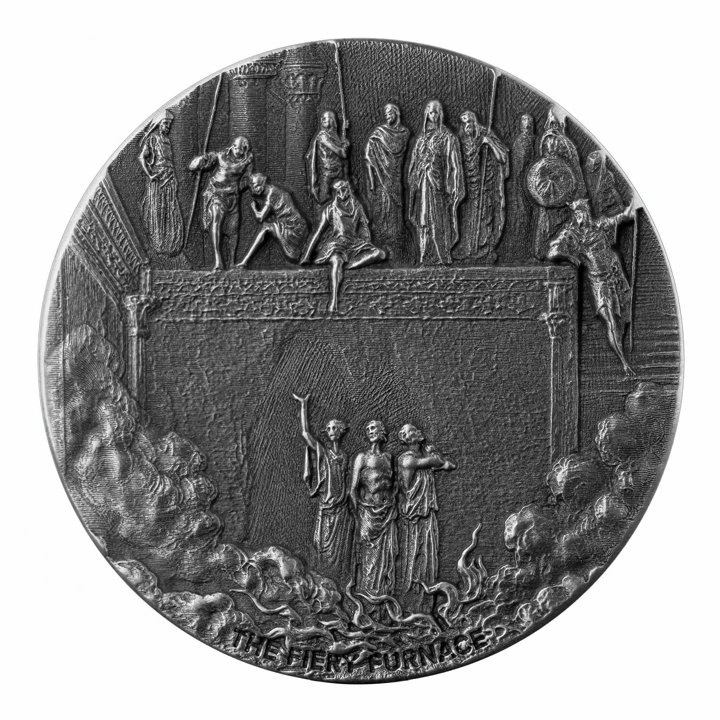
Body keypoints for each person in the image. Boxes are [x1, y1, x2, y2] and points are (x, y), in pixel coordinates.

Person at [548, 199, 635, 376]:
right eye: (578, 213)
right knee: (610, 321)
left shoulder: (599, 226)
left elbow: (622, 217)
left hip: (616, 276)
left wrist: (633, 208)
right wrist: (573, 258)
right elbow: (552, 252)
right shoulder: (572, 234)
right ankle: (624, 364)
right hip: (599, 284)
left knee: (621, 320)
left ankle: (625, 357)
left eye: (584, 212)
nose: (582, 216)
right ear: (575, 215)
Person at [292, 393, 354, 584]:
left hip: (342, 510)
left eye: (335, 427)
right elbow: (305, 434)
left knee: (341, 551)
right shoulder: (323, 452)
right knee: (324, 548)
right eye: (329, 428)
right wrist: (304, 406)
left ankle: (340, 582)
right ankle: (324, 582)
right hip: (327, 508)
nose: (332, 430)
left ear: (342, 431)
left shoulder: (345, 457)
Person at [300, 180, 386, 313]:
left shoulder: (357, 207)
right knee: (336, 260)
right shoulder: (330, 209)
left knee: (380, 254)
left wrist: (366, 241)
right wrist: (307, 255)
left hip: (354, 244)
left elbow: (364, 228)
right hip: (337, 244)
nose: (342, 193)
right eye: (338, 191)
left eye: (344, 189)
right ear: (335, 193)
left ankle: (351, 265)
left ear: (349, 189)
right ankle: (334, 301)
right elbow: (318, 233)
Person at [396, 424, 456, 612]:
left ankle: (427, 602)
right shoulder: (407, 459)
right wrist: (434, 455)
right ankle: (412, 601)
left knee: (428, 554)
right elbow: (437, 462)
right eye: (414, 431)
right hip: (415, 517)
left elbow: (449, 465)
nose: (419, 432)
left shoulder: (423, 460)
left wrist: (436, 459)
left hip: (427, 514)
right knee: (416, 555)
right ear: (407, 438)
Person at [407, 100, 465, 265]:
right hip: (423, 183)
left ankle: (442, 255)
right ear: (427, 114)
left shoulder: (447, 137)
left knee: (438, 219)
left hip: (439, 185)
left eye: (436, 112)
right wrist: (418, 172)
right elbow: (414, 162)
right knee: (424, 219)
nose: (434, 115)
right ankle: (426, 255)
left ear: (440, 114)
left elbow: (454, 164)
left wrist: (453, 185)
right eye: (431, 112)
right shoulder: (421, 139)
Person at [189, 136, 254, 270]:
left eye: (242, 149)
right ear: (232, 146)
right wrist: (200, 161)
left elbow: (246, 179)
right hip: (216, 194)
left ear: (245, 150)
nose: (238, 151)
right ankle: (218, 260)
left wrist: (238, 187)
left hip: (233, 197)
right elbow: (196, 165)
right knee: (216, 220)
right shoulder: (220, 156)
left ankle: (232, 262)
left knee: (233, 230)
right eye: (236, 148)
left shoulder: (247, 161)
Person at [349, 420, 397, 600]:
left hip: (386, 512)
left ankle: (382, 594)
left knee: (385, 556)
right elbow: (353, 489)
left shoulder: (388, 458)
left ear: (382, 431)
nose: (370, 431)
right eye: (368, 429)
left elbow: (394, 484)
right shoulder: (362, 458)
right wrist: (358, 517)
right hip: (368, 513)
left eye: (373, 428)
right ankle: (367, 594)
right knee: (369, 555)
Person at [453, 110, 509, 264]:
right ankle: (469, 250)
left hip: (485, 186)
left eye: (469, 122)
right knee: (467, 219)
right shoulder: (460, 141)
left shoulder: (485, 134)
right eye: (464, 124)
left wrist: (489, 142)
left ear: (474, 122)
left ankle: (483, 250)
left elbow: (503, 157)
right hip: (467, 188)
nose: (467, 127)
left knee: (484, 217)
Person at [364, 103, 411, 258]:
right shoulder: (379, 133)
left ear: (397, 113)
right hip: (381, 176)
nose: (388, 116)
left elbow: (400, 148)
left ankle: (396, 237)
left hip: (395, 174)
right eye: (386, 114)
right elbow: (369, 152)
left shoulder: (404, 132)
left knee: (396, 205)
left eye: (390, 113)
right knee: (384, 203)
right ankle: (384, 236)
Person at [138, 110, 185, 256]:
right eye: (165, 123)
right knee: (158, 208)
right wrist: (150, 175)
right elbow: (141, 157)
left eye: (169, 124)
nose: (167, 127)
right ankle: (158, 243)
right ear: (159, 124)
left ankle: (169, 243)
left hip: (169, 177)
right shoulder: (153, 139)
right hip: (158, 178)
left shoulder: (167, 141)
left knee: (169, 208)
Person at [236, 174, 307, 268]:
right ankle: (245, 261)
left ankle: (245, 261)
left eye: (255, 186)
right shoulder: (274, 190)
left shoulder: (272, 194)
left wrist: (254, 208)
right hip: (294, 223)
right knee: (268, 225)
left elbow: (260, 217)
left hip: (294, 228)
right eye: (252, 187)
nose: (253, 190)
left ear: (263, 184)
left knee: (266, 227)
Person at [306, 110, 349, 205]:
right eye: (323, 118)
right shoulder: (323, 136)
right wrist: (343, 150)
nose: (322, 120)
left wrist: (344, 142)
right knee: (323, 199)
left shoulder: (335, 135)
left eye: (326, 118)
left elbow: (341, 148)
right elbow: (340, 152)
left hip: (340, 172)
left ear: (333, 120)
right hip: (328, 174)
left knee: (344, 199)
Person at [509, 113, 536, 246]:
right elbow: (518, 164)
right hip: (520, 182)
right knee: (521, 210)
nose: (527, 125)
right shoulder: (520, 141)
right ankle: (520, 239)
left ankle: (525, 239)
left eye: (529, 123)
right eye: (524, 123)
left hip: (531, 183)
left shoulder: (534, 140)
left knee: (527, 211)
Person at [584, 150, 623, 217]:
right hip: (596, 205)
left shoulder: (607, 176)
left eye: (595, 165)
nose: (592, 168)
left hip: (606, 205)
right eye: (589, 164)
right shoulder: (588, 174)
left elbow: (613, 192)